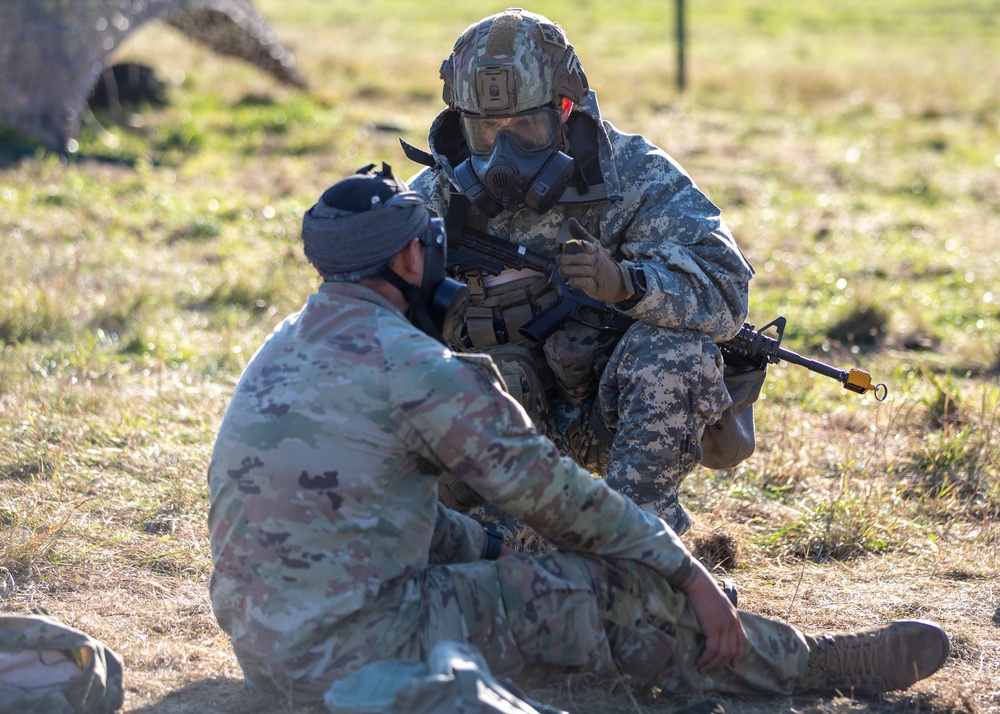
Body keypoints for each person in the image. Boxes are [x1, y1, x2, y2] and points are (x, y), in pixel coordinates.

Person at [206, 164, 949, 705]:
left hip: (265, 645)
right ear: (408, 258)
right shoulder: (415, 366)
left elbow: (374, 517)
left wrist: (495, 554)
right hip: (361, 651)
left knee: (516, 570)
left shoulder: (282, 347)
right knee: (608, 595)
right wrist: (684, 574)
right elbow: (560, 499)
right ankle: (813, 666)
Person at [405, 8, 763, 540]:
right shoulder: (433, 198)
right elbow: (358, 328)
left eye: (526, 125)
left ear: (565, 110)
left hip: (605, 413)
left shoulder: (635, 174)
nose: (504, 153)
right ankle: (504, 544)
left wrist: (626, 284)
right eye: (485, 131)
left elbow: (727, 292)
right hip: (494, 435)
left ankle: (638, 546)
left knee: (675, 352)